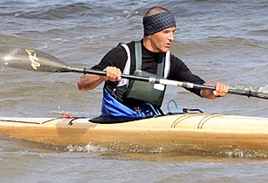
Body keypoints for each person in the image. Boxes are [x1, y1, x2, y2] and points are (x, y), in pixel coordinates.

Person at [77, 6, 229, 118]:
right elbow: (82, 84)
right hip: (114, 121)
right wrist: (103, 76)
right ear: (150, 33)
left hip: (148, 120)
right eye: (166, 32)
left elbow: (200, 88)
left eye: (173, 32)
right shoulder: (123, 54)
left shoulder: (171, 62)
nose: (171, 38)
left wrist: (215, 91)